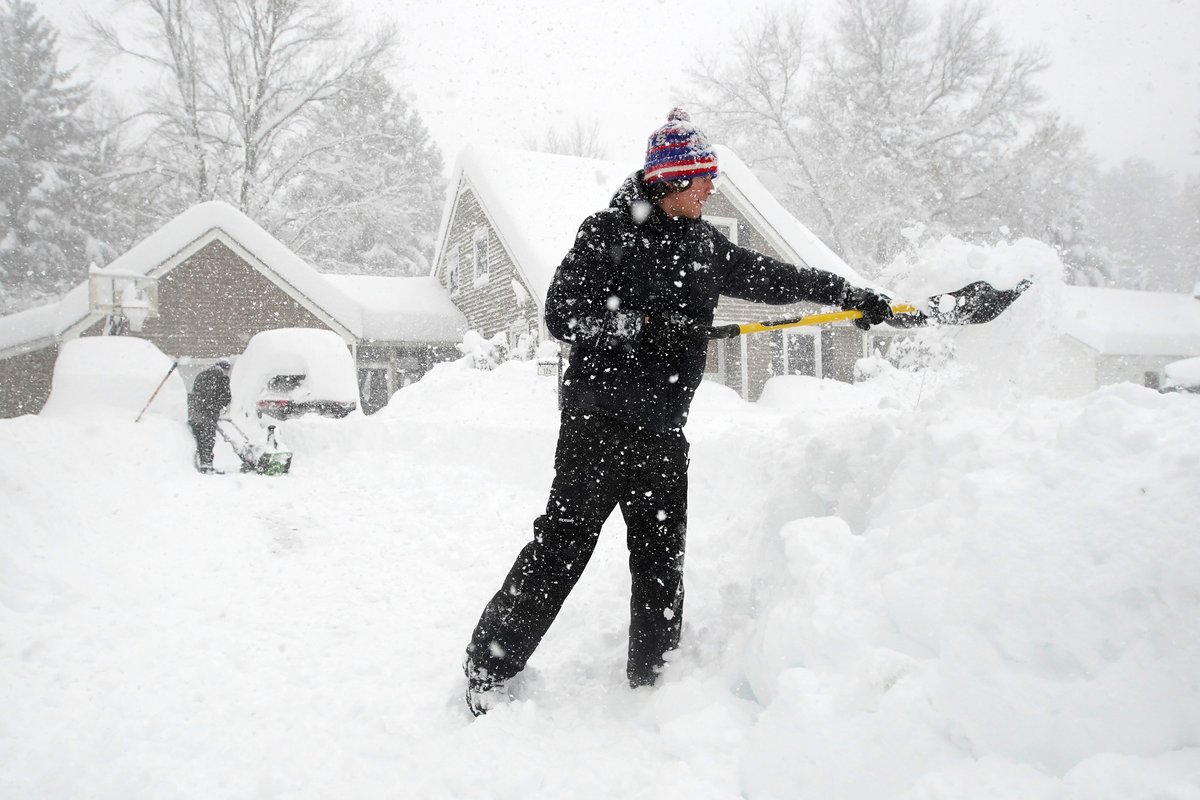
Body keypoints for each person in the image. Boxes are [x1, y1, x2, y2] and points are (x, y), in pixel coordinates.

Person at [462, 109, 893, 715]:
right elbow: (561, 313)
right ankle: (488, 667)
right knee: (564, 545)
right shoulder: (607, 235)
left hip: (663, 431)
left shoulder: (705, 245)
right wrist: (639, 327)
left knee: (662, 556)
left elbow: (778, 277)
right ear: (672, 181)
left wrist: (850, 295)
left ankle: (654, 679)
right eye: (703, 178)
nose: (711, 187)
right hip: (598, 424)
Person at [188, 358, 232, 473]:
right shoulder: (221, 378)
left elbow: (196, 394)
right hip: (208, 415)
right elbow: (226, 397)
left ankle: (199, 464)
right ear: (224, 369)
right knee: (208, 440)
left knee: (199, 440)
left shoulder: (202, 375)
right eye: (227, 370)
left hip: (195, 414)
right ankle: (206, 465)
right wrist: (218, 407)